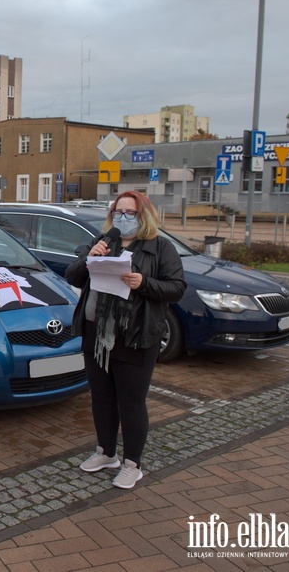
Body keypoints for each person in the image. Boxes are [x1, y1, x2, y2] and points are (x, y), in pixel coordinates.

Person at [65, 191, 186, 489]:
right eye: (118, 212)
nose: (123, 218)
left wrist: (144, 283)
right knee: (101, 398)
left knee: (131, 402)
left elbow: (177, 288)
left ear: (144, 215)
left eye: (130, 213)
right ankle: (106, 453)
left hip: (135, 336)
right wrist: (88, 259)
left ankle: (133, 463)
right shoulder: (105, 242)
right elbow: (73, 276)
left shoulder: (161, 248)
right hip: (97, 334)